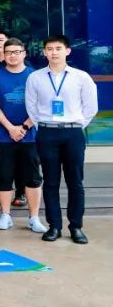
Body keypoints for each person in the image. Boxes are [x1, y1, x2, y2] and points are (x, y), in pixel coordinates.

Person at [25, 35, 98, 244]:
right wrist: (43, 126)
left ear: (67, 51)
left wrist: (75, 125)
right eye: (49, 48)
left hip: (73, 133)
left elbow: (91, 107)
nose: (54, 52)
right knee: (50, 181)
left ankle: (76, 227)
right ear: (44, 52)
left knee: (75, 181)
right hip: (47, 132)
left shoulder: (81, 77)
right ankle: (54, 226)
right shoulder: (36, 77)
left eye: (58, 48)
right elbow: (31, 107)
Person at [0, 38, 43, 232]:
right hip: (3, 136)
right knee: (4, 176)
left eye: (16, 52)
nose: (12, 55)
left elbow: (40, 105)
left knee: (33, 178)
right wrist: (10, 128)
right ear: (3, 54)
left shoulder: (34, 76)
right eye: (8, 52)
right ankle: (5, 215)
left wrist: (24, 127)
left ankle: (34, 218)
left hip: (30, 136)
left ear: (24, 54)